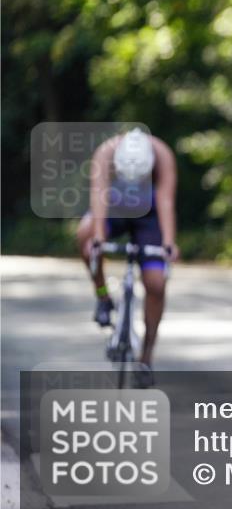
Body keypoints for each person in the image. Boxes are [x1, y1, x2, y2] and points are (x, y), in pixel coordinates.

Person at [77, 127, 178, 386]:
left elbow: (166, 200)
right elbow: (98, 196)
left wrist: (167, 243)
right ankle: (102, 296)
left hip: (150, 213)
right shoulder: (105, 152)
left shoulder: (162, 153)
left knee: (156, 283)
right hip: (115, 206)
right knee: (85, 234)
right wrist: (99, 239)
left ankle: (145, 357)